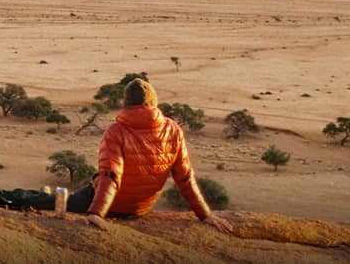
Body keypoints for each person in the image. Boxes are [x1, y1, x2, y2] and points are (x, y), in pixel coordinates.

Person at [70, 78, 233, 233]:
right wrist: (205, 214)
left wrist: (97, 213)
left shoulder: (116, 131)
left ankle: (47, 198)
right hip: (140, 209)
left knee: (57, 200)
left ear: (126, 102)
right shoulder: (173, 129)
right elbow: (185, 177)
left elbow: (111, 175)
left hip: (112, 207)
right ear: (154, 101)